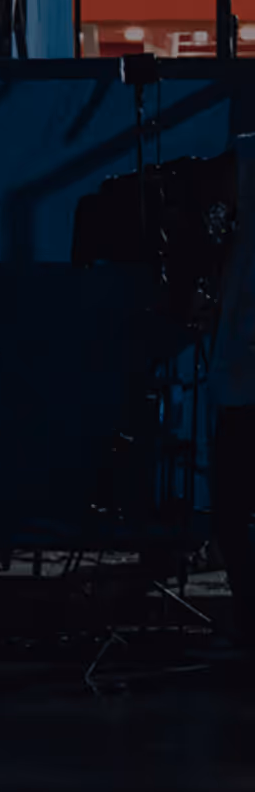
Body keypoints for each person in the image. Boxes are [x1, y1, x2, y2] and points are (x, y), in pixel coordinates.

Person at [205, 134, 255, 647]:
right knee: (233, 507)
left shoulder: (245, 157)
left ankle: (249, 615)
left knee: (233, 506)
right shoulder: (244, 157)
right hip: (243, 368)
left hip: (244, 370)